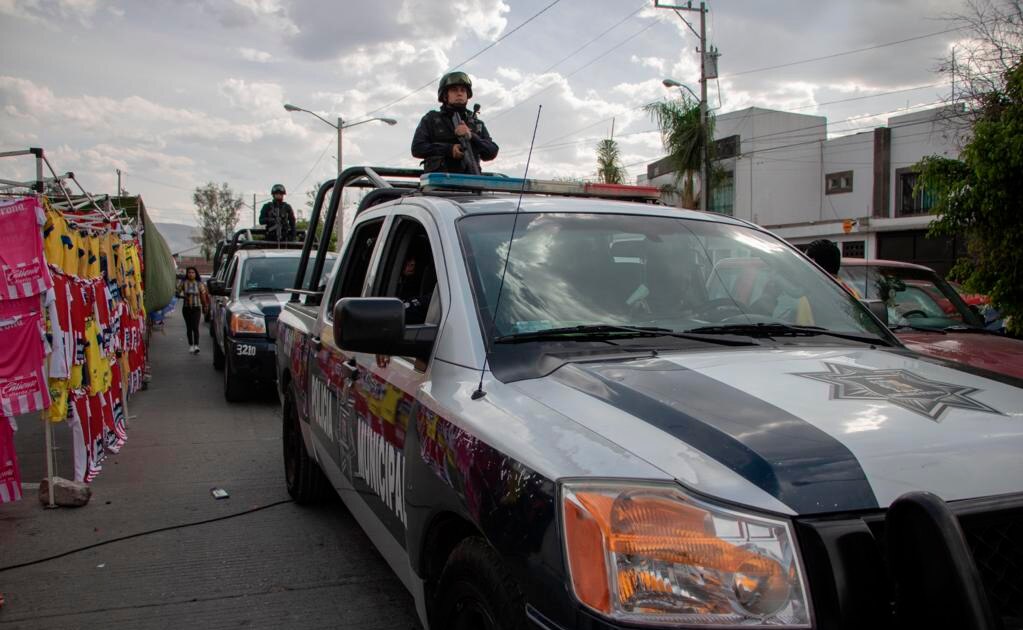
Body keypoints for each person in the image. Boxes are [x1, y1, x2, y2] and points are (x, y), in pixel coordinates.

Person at [412, 71, 499, 174]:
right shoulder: (431, 119)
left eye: (463, 90)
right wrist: (449, 149)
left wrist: (471, 136)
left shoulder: (476, 124)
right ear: (445, 95)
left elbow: (492, 151)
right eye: (454, 90)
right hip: (438, 185)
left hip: (470, 184)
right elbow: (417, 148)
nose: (459, 93)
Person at [176, 267, 208, 354]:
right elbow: (177, 293)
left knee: (195, 327)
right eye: (189, 272)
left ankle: (196, 345)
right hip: (186, 308)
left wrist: (205, 306)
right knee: (189, 328)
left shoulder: (199, 283)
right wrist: (184, 297)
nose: (191, 274)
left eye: (193, 272)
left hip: (196, 308)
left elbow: (203, 295)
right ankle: (191, 345)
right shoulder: (183, 283)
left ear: (195, 274)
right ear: (187, 274)